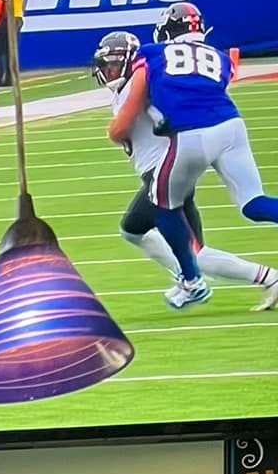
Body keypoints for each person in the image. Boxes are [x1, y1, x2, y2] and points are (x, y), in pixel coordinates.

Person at [92, 28, 278, 310]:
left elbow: (118, 131)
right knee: (133, 230)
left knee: (193, 251)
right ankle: (190, 277)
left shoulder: (144, 78)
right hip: (169, 167)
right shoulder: (139, 81)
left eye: (115, 64)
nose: (109, 71)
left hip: (168, 168)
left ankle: (207, 280)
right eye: (106, 65)